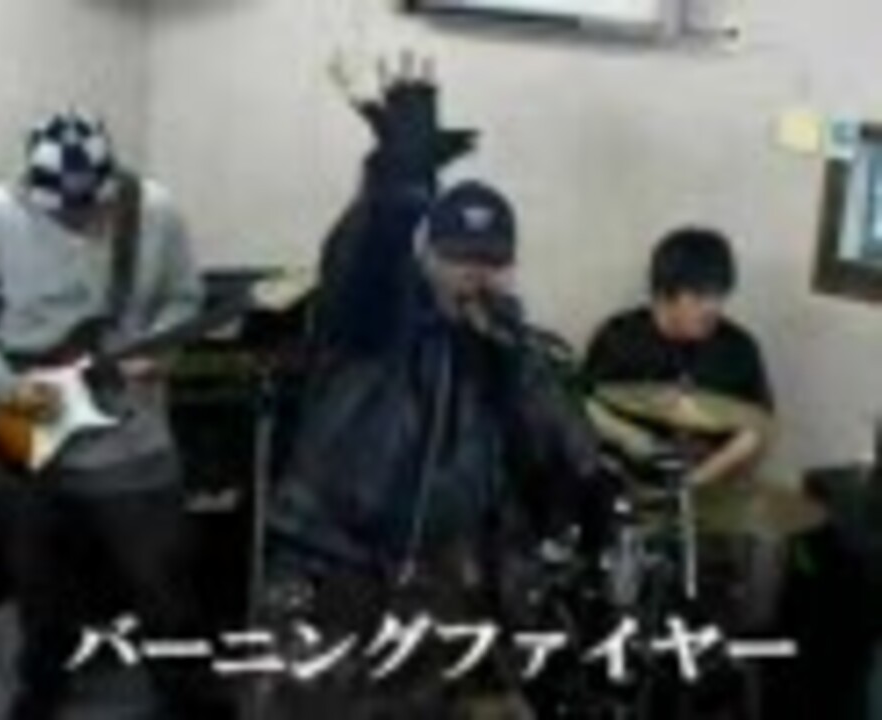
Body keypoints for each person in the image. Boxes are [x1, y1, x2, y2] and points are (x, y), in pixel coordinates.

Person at [264, 57, 604, 718]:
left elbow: (558, 434)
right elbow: (366, 254)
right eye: (458, 258)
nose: (474, 274)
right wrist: (399, 179)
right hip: (330, 565)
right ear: (426, 253)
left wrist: (592, 488)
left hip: (432, 580)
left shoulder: (506, 343)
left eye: (491, 261)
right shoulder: (371, 318)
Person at [0, 110, 233, 720]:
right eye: (64, 212)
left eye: (90, 208)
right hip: (26, 433)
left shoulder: (155, 213)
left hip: (131, 441)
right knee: (37, 584)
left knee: (164, 583)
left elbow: (185, 297)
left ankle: (188, 694)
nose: (79, 220)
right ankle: (43, 682)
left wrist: (160, 350)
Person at [584, 227, 773, 487]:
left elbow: (757, 428)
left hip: (710, 484)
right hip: (628, 480)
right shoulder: (618, 338)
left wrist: (695, 481)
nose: (713, 307)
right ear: (664, 296)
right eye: (698, 296)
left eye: (719, 294)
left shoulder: (739, 348)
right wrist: (633, 439)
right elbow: (584, 406)